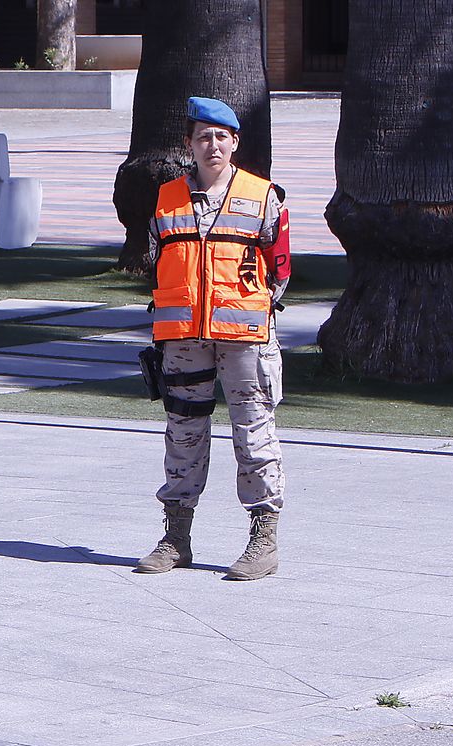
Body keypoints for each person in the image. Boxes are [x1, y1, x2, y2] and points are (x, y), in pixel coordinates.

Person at [136, 96, 290, 581]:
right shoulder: (166, 199)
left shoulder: (264, 197)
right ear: (189, 144)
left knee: (254, 433)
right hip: (183, 338)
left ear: (235, 143)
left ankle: (263, 540)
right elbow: (157, 261)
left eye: (222, 136)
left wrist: (251, 310)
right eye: (203, 136)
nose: (213, 145)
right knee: (183, 435)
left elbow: (280, 269)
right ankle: (176, 537)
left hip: (245, 336)